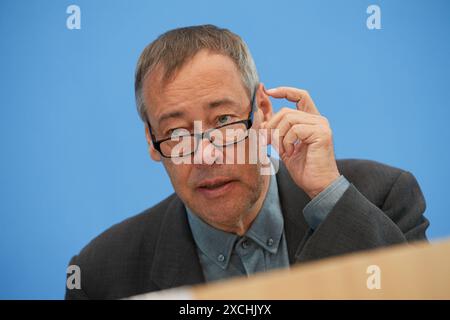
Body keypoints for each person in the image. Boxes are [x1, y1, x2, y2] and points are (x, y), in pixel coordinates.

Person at [65, 24, 429, 300]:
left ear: (263, 111)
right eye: (177, 133)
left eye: (223, 121)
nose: (206, 154)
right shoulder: (100, 275)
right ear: (151, 142)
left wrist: (330, 197)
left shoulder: (383, 197)